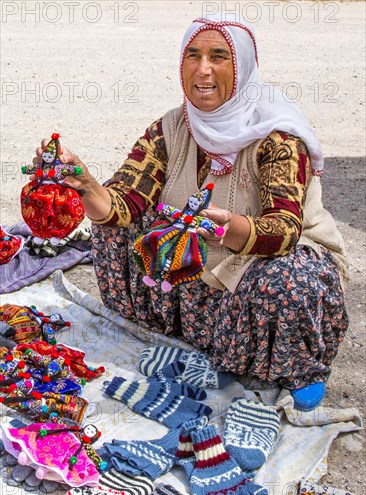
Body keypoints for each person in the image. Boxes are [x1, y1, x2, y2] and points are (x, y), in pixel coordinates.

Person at [32, 15, 348, 411]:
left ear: (242, 67)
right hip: (201, 260)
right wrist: (85, 185)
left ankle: (299, 366)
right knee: (120, 227)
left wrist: (228, 226)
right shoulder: (171, 127)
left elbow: (284, 228)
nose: (203, 70)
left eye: (219, 57)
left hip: (261, 264)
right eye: (193, 56)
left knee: (291, 278)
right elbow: (125, 202)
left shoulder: (278, 136)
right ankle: (173, 330)